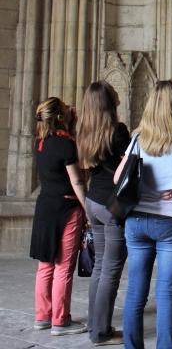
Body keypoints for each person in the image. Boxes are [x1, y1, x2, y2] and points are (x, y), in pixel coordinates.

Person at [114, 79, 172, 349]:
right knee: (167, 292)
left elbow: (119, 177)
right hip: (171, 220)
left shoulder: (139, 137)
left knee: (135, 292)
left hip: (137, 219)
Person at [76, 81, 130, 346]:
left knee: (100, 267)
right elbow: (130, 164)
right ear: (109, 101)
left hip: (92, 202)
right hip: (112, 205)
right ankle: (101, 332)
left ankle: (95, 326)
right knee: (110, 270)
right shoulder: (117, 131)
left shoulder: (84, 130)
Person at [30, 97, 88, 336]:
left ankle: (42, 316)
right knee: (63, 266)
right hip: (66, 208)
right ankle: (60, 320)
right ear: (61, 117)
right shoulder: (66, 144)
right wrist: (88, 208)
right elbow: (76, 180)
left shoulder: (40, 143)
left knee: (45, 265)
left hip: (45, 207)